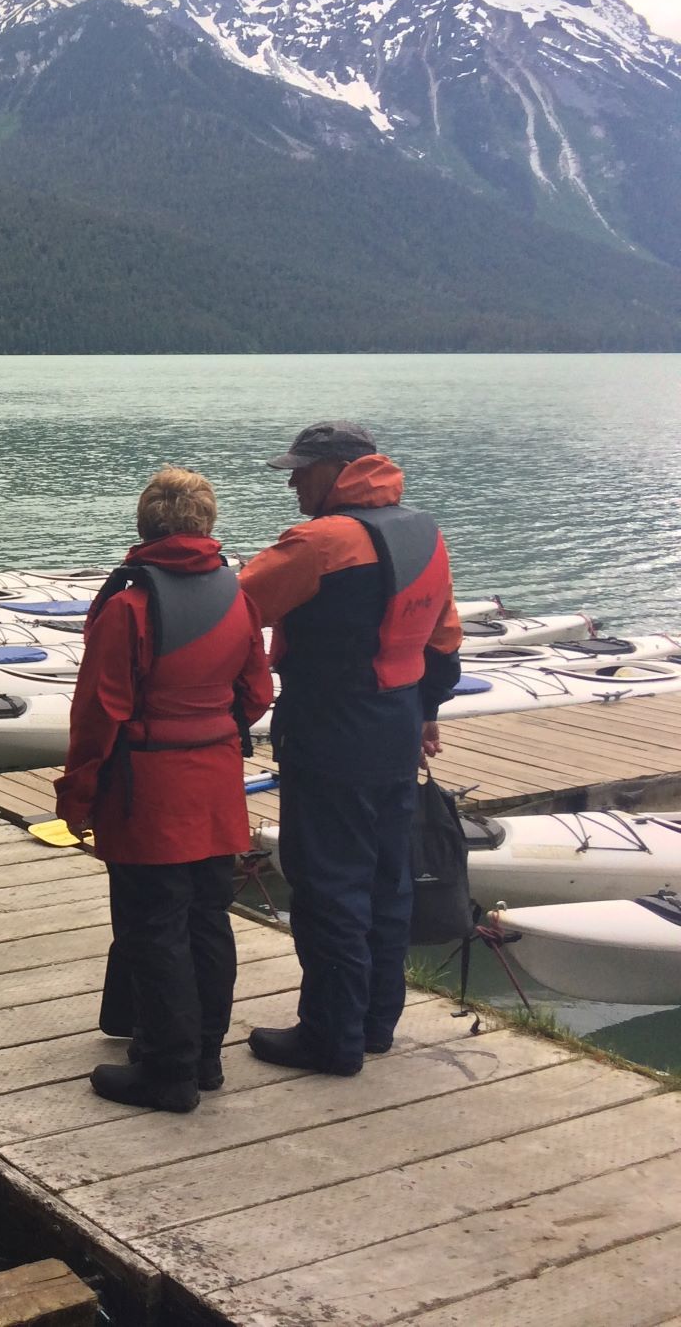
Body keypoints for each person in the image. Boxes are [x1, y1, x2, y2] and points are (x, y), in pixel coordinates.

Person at [239, 421, 463, 1077]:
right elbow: (444, 641)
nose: (291, 482)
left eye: (300, 470)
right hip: (396, 732)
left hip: (331, 734)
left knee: (328, 887)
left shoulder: (319, 543)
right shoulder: (425, 533)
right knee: (386, 885)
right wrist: (425, 713)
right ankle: (373, 1025)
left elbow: (234, 604)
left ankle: (329, 1039)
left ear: (337, 471)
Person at [56, 468, 273, 1113]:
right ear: (207, 523)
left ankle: (167, 1072)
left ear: (145, 524)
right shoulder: (238, 597)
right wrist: (211, 729)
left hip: (148, 789)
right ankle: (205, 1058)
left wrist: (78, 795)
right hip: (216, 782)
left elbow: (99, 713)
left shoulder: (129, 607)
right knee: (207, 919)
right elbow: (257, 693)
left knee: (154, 927)